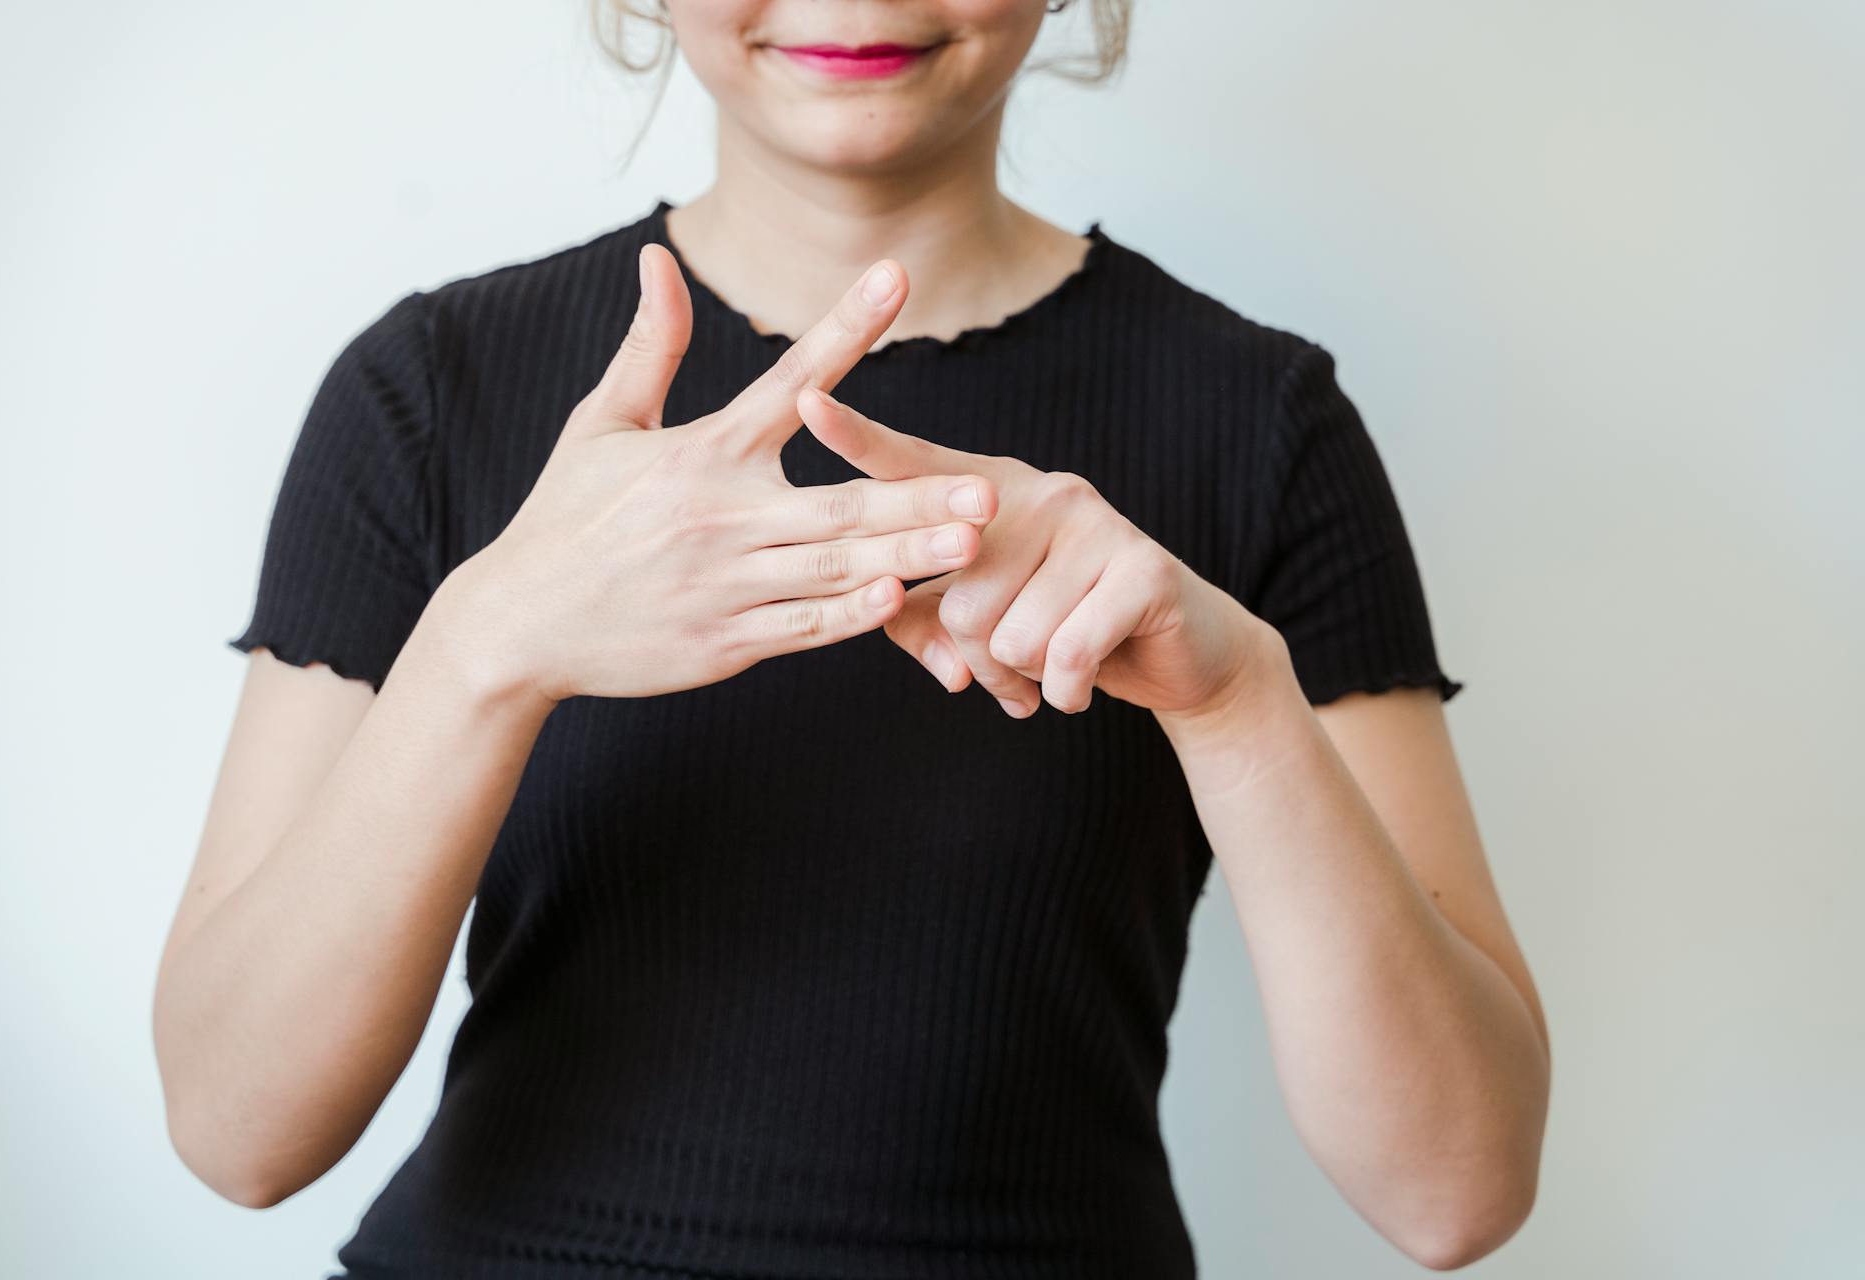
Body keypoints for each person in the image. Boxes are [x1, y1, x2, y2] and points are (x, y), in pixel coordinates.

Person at [154, 1, 1552, 1275]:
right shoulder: (429, 395)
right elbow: (238, 1129)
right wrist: (486, 646)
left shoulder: (1263, 430)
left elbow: (1455, 1192)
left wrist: (1238, 700)